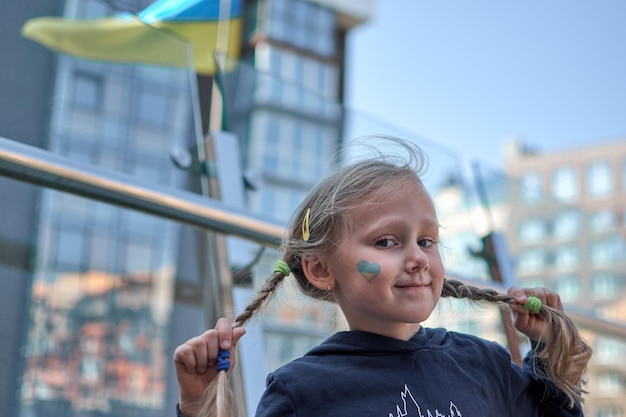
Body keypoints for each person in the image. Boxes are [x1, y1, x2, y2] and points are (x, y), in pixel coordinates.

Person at [173, 137, 592, 417]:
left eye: (427, 241)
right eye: (387, 242)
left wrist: (546, 349)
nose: (417, 258)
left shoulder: (484, 363)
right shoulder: (301, 391)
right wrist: (198, 405)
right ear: (320, 268)